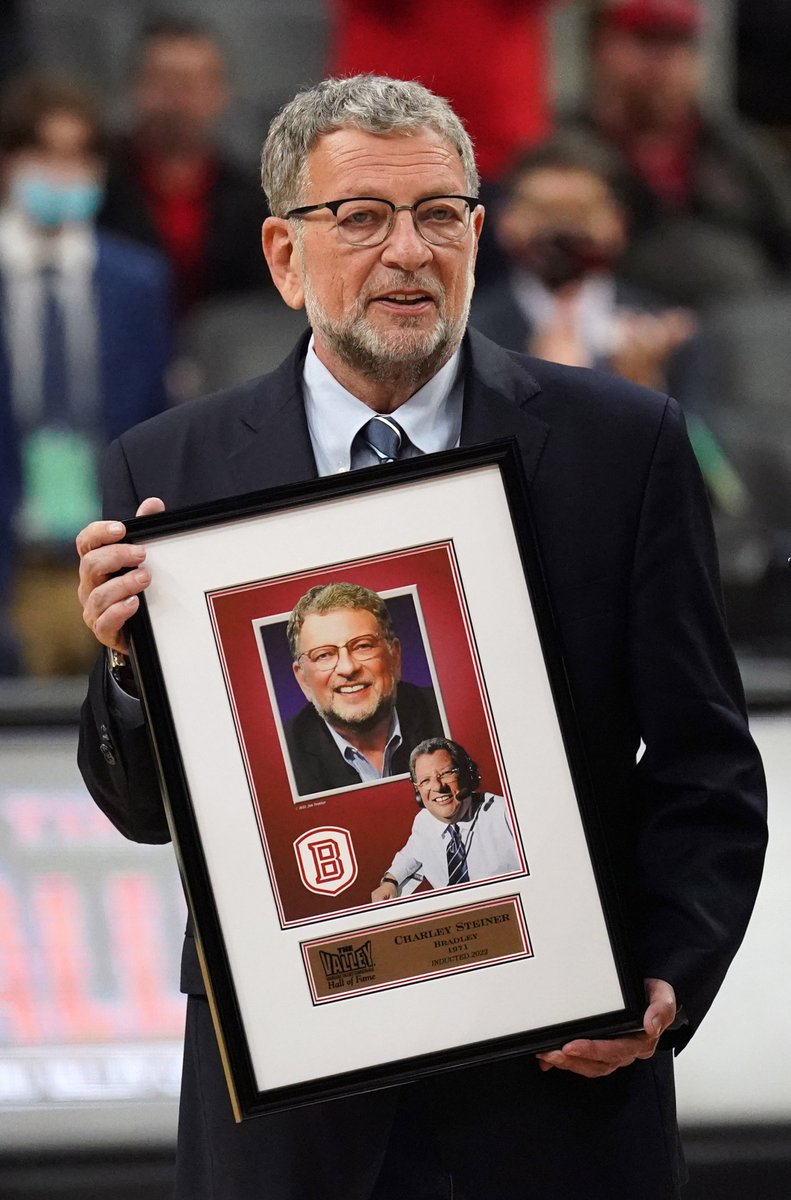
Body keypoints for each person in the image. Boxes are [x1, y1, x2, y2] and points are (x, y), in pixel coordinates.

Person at [76, 75, 767, 1200]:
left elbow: (705, 765)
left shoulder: (622, 444)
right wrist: (129, 672)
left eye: (437, 215)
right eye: (359, 217)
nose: (406, 251)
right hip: (296, 1115)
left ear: (478, 237)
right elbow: (148, 812)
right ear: (282, 254)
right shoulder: (169, 469)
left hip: (557, 1094)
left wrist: (664, 975)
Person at [0, 74, 170, 676]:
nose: (61, 172)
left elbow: (151, 415)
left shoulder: (139, 283)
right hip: (12, 553)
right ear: (9, 163)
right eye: (45, 153)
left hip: (109, 552)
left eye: (77, 156)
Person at [561, 0, 791, 306]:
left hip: (740, 325)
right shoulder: (565, 151)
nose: (664, 62)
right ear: (599, 48)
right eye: (647, 41)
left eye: (679, 44)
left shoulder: (730, 145)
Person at [471, 131, 694, 390]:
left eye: (581, 214)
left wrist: (647, 394)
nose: (561, 232)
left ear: (617, 223)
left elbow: (706, 427)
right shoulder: (468, 339)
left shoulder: (669, 335)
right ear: (505, 221)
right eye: (543, 213)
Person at [98, 17, 269, 315]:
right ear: (134, 88)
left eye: (191, 84)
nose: (176, 99)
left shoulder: (253, 199)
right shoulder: (96, 183)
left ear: (221, 94)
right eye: (163, 82)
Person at [284, 581, 444, 796]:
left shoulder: (448, 715)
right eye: (324, 655)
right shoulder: (280, 761)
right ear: (303, 680)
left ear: (395, 658)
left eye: (362, 646)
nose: (348, 668)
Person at [371, 737, 519, 901]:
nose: (437, 787)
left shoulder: (506, 814)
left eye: (446, 773)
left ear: (468, 774)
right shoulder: (424, 821)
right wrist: (389, 882)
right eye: (425, 781)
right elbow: (410, 856)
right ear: (418, 790)